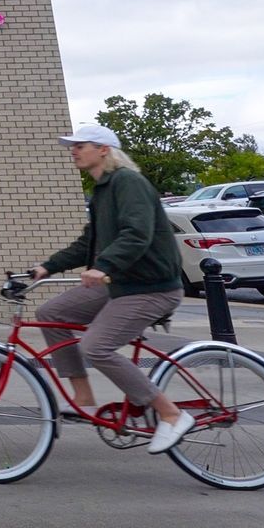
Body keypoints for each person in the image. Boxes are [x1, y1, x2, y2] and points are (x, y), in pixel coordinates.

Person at [30, 124, 196, 455]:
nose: (74, 151)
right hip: (122, 283)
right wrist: (47, 267)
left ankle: (171, 414)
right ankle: (84, 396)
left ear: (103, 150)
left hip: (150, 287)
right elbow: (87, 244)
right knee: (51, 313)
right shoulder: (102, 191)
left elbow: (137, 234)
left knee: (96, 346)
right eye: (72, 146)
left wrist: (104, 267)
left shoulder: (128, 182)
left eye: (81, 146)